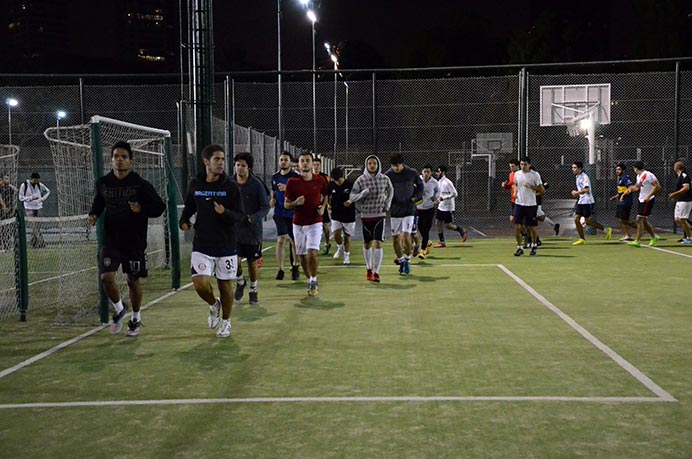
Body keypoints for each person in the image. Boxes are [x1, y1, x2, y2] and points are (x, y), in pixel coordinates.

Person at [87, 141, 166, 336]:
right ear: (111, 160)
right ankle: (120, 308)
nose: (119, 160)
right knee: (106, 277)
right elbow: (99, 203)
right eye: (116, 157)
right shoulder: (103, 183)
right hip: (111, 240)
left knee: (133, 281)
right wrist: (93, 214)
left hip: (134, 242)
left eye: (123, 157)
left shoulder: (140, 184)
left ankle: (136, 318)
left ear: (131, 161)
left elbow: (159, 206)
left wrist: (141, 209)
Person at [179, 144, 245, 338]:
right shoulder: (195, 184)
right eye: (217, 159)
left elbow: (240, 216)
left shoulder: (230, 186)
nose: (221, 163)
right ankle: (213, 304)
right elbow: (189, 208)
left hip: (226, 244)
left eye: (223, 159)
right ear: (206, 161)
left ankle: (226, 322)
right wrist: (183, 222)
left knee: (225, 286)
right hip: (202, 244)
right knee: (200, 284)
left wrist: (224, 212)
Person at [284, 151, 328, 296]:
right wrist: (296, 202)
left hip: (315, 222)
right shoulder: (292, 182)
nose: (305, 163)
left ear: (312, 163)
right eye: (302, 161)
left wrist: (323, 207)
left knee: (312, 252)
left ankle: (314, 279)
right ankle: (309, 279)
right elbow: (286, 204)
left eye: (307, 160)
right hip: (298, 224)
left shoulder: (320, 180)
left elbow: (326, 195)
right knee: (302, 255)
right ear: (298, 164)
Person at [232, 152, 270, 305]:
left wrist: (253, 218)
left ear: (249, 167)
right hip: (234, 231)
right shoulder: (229, 183)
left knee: (252, 262)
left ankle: (253, 289)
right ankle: (240, 282)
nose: (240, 168)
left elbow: (265, 207)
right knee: (234, 262)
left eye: (243, 165)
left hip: (252, 232)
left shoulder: (256, 184)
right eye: (237, 165)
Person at [349, 155, 393, 282]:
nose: (372, 165)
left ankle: (377, 272)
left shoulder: (385, 179)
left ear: (378, 164)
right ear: (366, 165)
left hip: (380, 215)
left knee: (378, 242)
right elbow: (352, 197)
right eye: (370, 163)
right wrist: (362, 195)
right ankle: (368, 268)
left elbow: (391, 190)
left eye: (374, 163)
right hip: (366, 216)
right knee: (367, 243)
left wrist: (387, 204)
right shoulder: (360, 180)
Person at [385, 153, 424, 275]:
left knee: (406, 236)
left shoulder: (412, 173)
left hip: (409, 210)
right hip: (395, 211)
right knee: (396, 238)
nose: (395, 168)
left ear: (402, 164)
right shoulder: (388, 175)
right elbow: (383, 190)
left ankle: (407, 260)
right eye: (393, 166)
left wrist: (415, 197)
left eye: (397, 165)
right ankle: (401, 261)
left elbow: (420, 186)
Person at [270, 151, 301, 281]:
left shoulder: (295, 177)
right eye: (281, 159)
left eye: (286, 160)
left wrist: (287, 188)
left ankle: (295, 266)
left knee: (294, 241)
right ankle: (280, 269)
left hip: (293, 212)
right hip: (279, 213)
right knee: (281, 239)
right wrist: (272, 200)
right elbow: (273, 191)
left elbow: (300, 192)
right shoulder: (274, 177)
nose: (283, 162)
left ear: (290, 162)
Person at [570, 161, 612, 245]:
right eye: (572, 167)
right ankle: (582, 239)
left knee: (588, 222)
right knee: (576, 219)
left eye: (575, 167)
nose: (573, 169)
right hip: (581, 201)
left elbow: (587, 189)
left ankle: (606, 230)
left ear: (580, 168)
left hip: (587, 201)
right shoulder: (577, 177)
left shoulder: (584, 177)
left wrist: (576, 193)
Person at [623, 160, 661, 248]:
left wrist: (649, 196)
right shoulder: (639, 176)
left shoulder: (648, 175)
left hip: (647, 200)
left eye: (633, 168)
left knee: (639, 219)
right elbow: (637, 186)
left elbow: (657, 186)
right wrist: (629, 190)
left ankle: (637, 240)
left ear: (635, 168)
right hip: (641, 199)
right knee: (643, 220)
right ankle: (654, 237)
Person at [512, 157, 544, 256]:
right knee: (517, 226)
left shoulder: (535, 175)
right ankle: (519, 247)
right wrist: (515, 192)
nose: (523, 166)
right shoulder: (517, 174)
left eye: (525, 164)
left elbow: (542, 190)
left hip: (530, 205)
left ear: (529, 165)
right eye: (521, 164)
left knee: (531, 227)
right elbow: (516, 184)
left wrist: (530, 187)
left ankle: (534, 245)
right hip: (519, 204)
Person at [433, 165, 466, 248]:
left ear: (443, 172)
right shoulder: (438, 182)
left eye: (438, 171)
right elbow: (440, 194)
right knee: (437, 223)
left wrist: (443, 198)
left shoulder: (447, 182)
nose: (436, 173)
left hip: (448, 208)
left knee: (448, 225)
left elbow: (455, 193)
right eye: (436, 171)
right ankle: (442, 242)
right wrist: (437, 200)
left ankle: (461, 230)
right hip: (441, 207)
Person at [328, 167, 356, 264]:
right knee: (336, 234)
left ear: (342, 177)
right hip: (336, 214)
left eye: (339, 180)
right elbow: (327, 196)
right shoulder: (331, 185)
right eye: (335, 180)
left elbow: (356, 196)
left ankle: (346, 255)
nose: (337, 182)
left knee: (347, 236)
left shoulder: (350, 184)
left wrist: (351, 201)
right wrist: (328, 204)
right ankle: (340, 247)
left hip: (349, 214)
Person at [18, 172, 51, 248]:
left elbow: (48, 191)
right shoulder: (24, 185)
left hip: (38, 207)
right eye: (35, 180)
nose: (36, 181)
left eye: (37, 180)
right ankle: (42, 243)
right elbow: (21, 197)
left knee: (38, 226)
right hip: (28, 207)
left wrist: (42, 199)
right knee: (33, 226)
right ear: (31, 179)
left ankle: (32, 243)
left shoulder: (39, 185)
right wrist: (30, 198)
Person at [414, 164, 439, 259]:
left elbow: (438, 191)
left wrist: (436, 197)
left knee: (426, 228)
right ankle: (427, 242)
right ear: (422, 172)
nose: (426, 174)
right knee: (420, 227)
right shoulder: (417, 180)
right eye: (425, 171)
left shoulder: (434, 182)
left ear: (431, 173)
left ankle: (423, 251)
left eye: (428, 172)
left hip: (429, 208)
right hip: (419, 207)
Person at [609, 163, 638, 241]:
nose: (617, 171)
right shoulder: (621, 179)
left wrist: (623, 196)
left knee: (623, 220)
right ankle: (627, 234)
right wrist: (615, 197)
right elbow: (622, 191)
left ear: (624, 170)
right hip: (621, 202)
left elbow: (630, 188)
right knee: (621, 219)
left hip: (626, 202)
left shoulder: (625, 178)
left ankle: (639, 228)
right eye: (616, 169)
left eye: (619, 169)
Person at [312, 155, 332, 255]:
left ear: (320, 165)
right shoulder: (308, 176)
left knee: (324, 226)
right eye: (314, 165)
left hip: (322, 205)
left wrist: (327, 204)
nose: (316, 166)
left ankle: (327, 243)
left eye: (317, 165)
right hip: (311, 206)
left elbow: (327, 192)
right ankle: (312, 246)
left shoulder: (325, 177)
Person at [668, 161, 692, 244]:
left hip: (686, 200)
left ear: (677, 167)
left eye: (675, 166)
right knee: (677, 219)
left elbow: (686, 188)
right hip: (680, 200)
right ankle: (689, 231)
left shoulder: (684, 176)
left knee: (683, 219)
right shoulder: (679, 176)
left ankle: (689, 238)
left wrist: (674, 194)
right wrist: (674, 195)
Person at [501, 159, 520, 224]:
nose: (511, 168)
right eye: (510, 166)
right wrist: (505, 185)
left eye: (513, 166)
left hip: (521, 200)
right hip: (513, 200)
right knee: (514, 219)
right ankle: (523, 232)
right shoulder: (511, 175)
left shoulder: (522, 175)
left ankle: (524, 231)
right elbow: (510, 185)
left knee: (514, 218)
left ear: (518, 166)